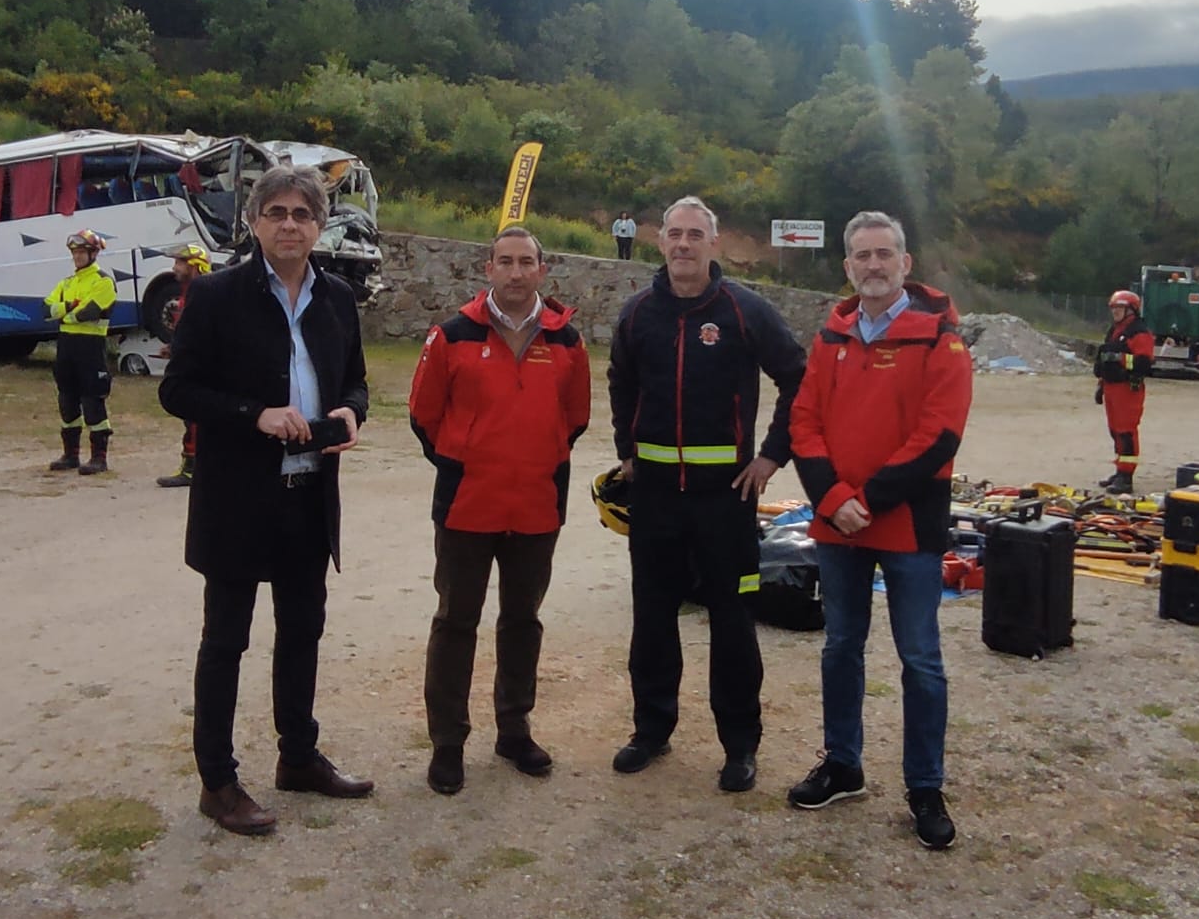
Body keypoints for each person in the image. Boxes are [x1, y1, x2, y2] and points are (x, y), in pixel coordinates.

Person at [158, 165, 371, 838]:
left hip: (309, 496)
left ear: (319, 225)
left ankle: (299, 757)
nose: (289, 224)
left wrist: (350, 412)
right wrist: (255, 414)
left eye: (302, 214)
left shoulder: (337, 296)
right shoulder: (218, 296)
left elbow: (358, 384)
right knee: (226, 641)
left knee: (303, 632)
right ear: (253, 222)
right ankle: (217, 783)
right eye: (276, 212)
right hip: (238, 500)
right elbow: (178, 390)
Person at [786, 210, 974, 851]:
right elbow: (803, 420)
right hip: (839, 525)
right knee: (841, 647)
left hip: (909, 526)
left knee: (920, 660)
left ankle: (924, 786)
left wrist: (867, 500)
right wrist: (835, 500)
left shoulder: (941, 340)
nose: (873, 265)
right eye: (861, 255)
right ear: (847, 266)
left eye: (884, 254)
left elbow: (939, 434)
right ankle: (844, 765)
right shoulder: (830, 338)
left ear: (905, 263)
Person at [607, 195, 805, 793]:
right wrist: (627, 451)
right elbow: (620, 381)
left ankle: (740, 746)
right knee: (653, 618)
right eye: (674, 233)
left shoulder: (745, 311)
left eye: (696, 234)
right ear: (659, 241)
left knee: (733, 622)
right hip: (657, 501)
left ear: (714, 244)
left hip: (727, 502)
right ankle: (651, 730)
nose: (684, 244)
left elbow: (799, 376)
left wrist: (772, 455)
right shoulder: (638, 313)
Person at [409, 226, 591, 796]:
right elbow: (424, 414)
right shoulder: (453, 335)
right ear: (487, 268)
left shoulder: (567, 342)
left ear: (543, 269)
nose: (516, 273)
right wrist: (466, 461)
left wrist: (537, 460)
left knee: (522, 622)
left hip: (537, 506)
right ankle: (448, 743)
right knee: (455, 622)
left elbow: (576, 418)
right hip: (467, 506)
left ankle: (514, 729)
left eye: (526, 263)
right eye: (505, 262)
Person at [44, 229, 117, 474]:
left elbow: (90, 312)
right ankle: (70, 455)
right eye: (74, 252)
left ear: (93, 253)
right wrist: (68, 307)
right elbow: (44, 309)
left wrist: (65, 313)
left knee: (93, 402)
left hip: (91, 348)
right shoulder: (66, 283)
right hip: (66, 347)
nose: (77, 257)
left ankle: (99, 457)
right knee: (67, 400)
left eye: (82, 252)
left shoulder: (103, 281)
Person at [156, 244, 212, 489]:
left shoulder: (205, 294)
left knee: (196, 421)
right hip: (188, 366)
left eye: (180, 262)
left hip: (202, 370)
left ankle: (193, 470)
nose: (174, 268)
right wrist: (173, 346)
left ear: (195, 266)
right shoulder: (187, 295)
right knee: (191, 420)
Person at [1094, 288, 1155, 494]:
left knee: (1126, 432)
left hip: (1128, 388)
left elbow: (1144, 362)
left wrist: (1120, 359)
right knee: (1115, 432)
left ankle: (1126, 476)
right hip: (1112, 387)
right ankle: (1120, 470)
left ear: (1131, 310)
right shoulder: (1115, 330)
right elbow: (1106, 358)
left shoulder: (1139, 332)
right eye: (1113, 308)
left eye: (1119, 308)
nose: (1115, 312)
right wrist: (1101, 385)